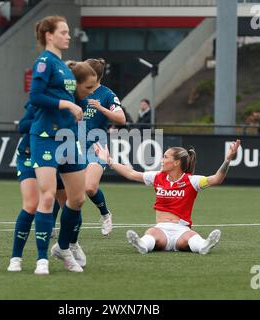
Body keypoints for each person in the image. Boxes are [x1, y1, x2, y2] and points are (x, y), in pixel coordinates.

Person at [27, 16, 94, 275]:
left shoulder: (64, 66)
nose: (69, 36)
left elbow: (71, 94)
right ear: (49, 35)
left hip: (67, 138)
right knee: (47, 196)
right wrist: (67, 104)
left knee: (77, 199)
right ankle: (41, 259)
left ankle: (63, 247)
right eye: (64, 32)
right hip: (45, 137)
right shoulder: (44, 62)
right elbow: (36, 97)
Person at [94, 139, 241, 255]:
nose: (162, 160)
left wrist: (228, 160)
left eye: (165, 157)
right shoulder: (157, 177)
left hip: (182, 230)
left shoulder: (192, 180)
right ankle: (142, 245)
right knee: (151, 233)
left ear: (176, 162)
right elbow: (131, 174)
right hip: (161, 229)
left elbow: (216, 179)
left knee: (192, 237)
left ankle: (204, 246)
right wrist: (109, 160)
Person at [7, 104, 67, 272]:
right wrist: (42, 123)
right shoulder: (40, 101)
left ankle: (69, 246)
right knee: (32, 204)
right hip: (29, 153)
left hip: (57, 157)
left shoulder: (71, 103)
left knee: (70, 202)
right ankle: (17, 258)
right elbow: (23, 126)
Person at [80, 58, 126, 236]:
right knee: (62, 188)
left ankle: (105, 214)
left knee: (90, 188)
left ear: (93, 75)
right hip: (73, 145)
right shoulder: (77, 91)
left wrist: (101, 108)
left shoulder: (107, 94)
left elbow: (121, 119)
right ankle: (52, 224)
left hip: (96, 146)